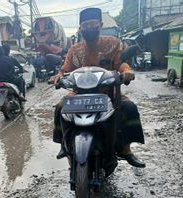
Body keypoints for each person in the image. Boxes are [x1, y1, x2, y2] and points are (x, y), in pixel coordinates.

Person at [53, 8, 145, 168]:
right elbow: (65, 69)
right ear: (80, 28)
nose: (89, 27)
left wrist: (126, 71)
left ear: (100, 25)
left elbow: (120, 62)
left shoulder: (113, 44)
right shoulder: (75, 50)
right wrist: (58, 76)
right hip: (78, 93)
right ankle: (64, 145)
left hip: (108, 93)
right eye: (85, 25)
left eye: (92, 24)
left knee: (129, 107)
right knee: (60, 107)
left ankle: (125, 149)